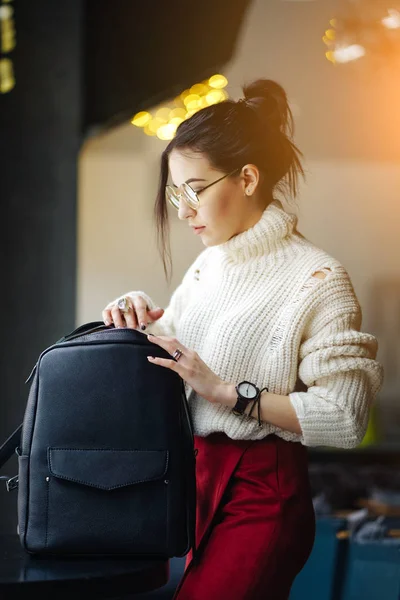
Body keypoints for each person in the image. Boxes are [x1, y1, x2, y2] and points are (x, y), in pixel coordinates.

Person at [101, 79, 384, 599]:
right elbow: (180, 359)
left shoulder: (318, 278)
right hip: (195, 482)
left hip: (263, 494)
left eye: (194, 189)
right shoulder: (211, 265)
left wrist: (230, 393)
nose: (182, 209)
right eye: (174, 192)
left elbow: (345, 418)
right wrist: (137, 320)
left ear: (248, 177)